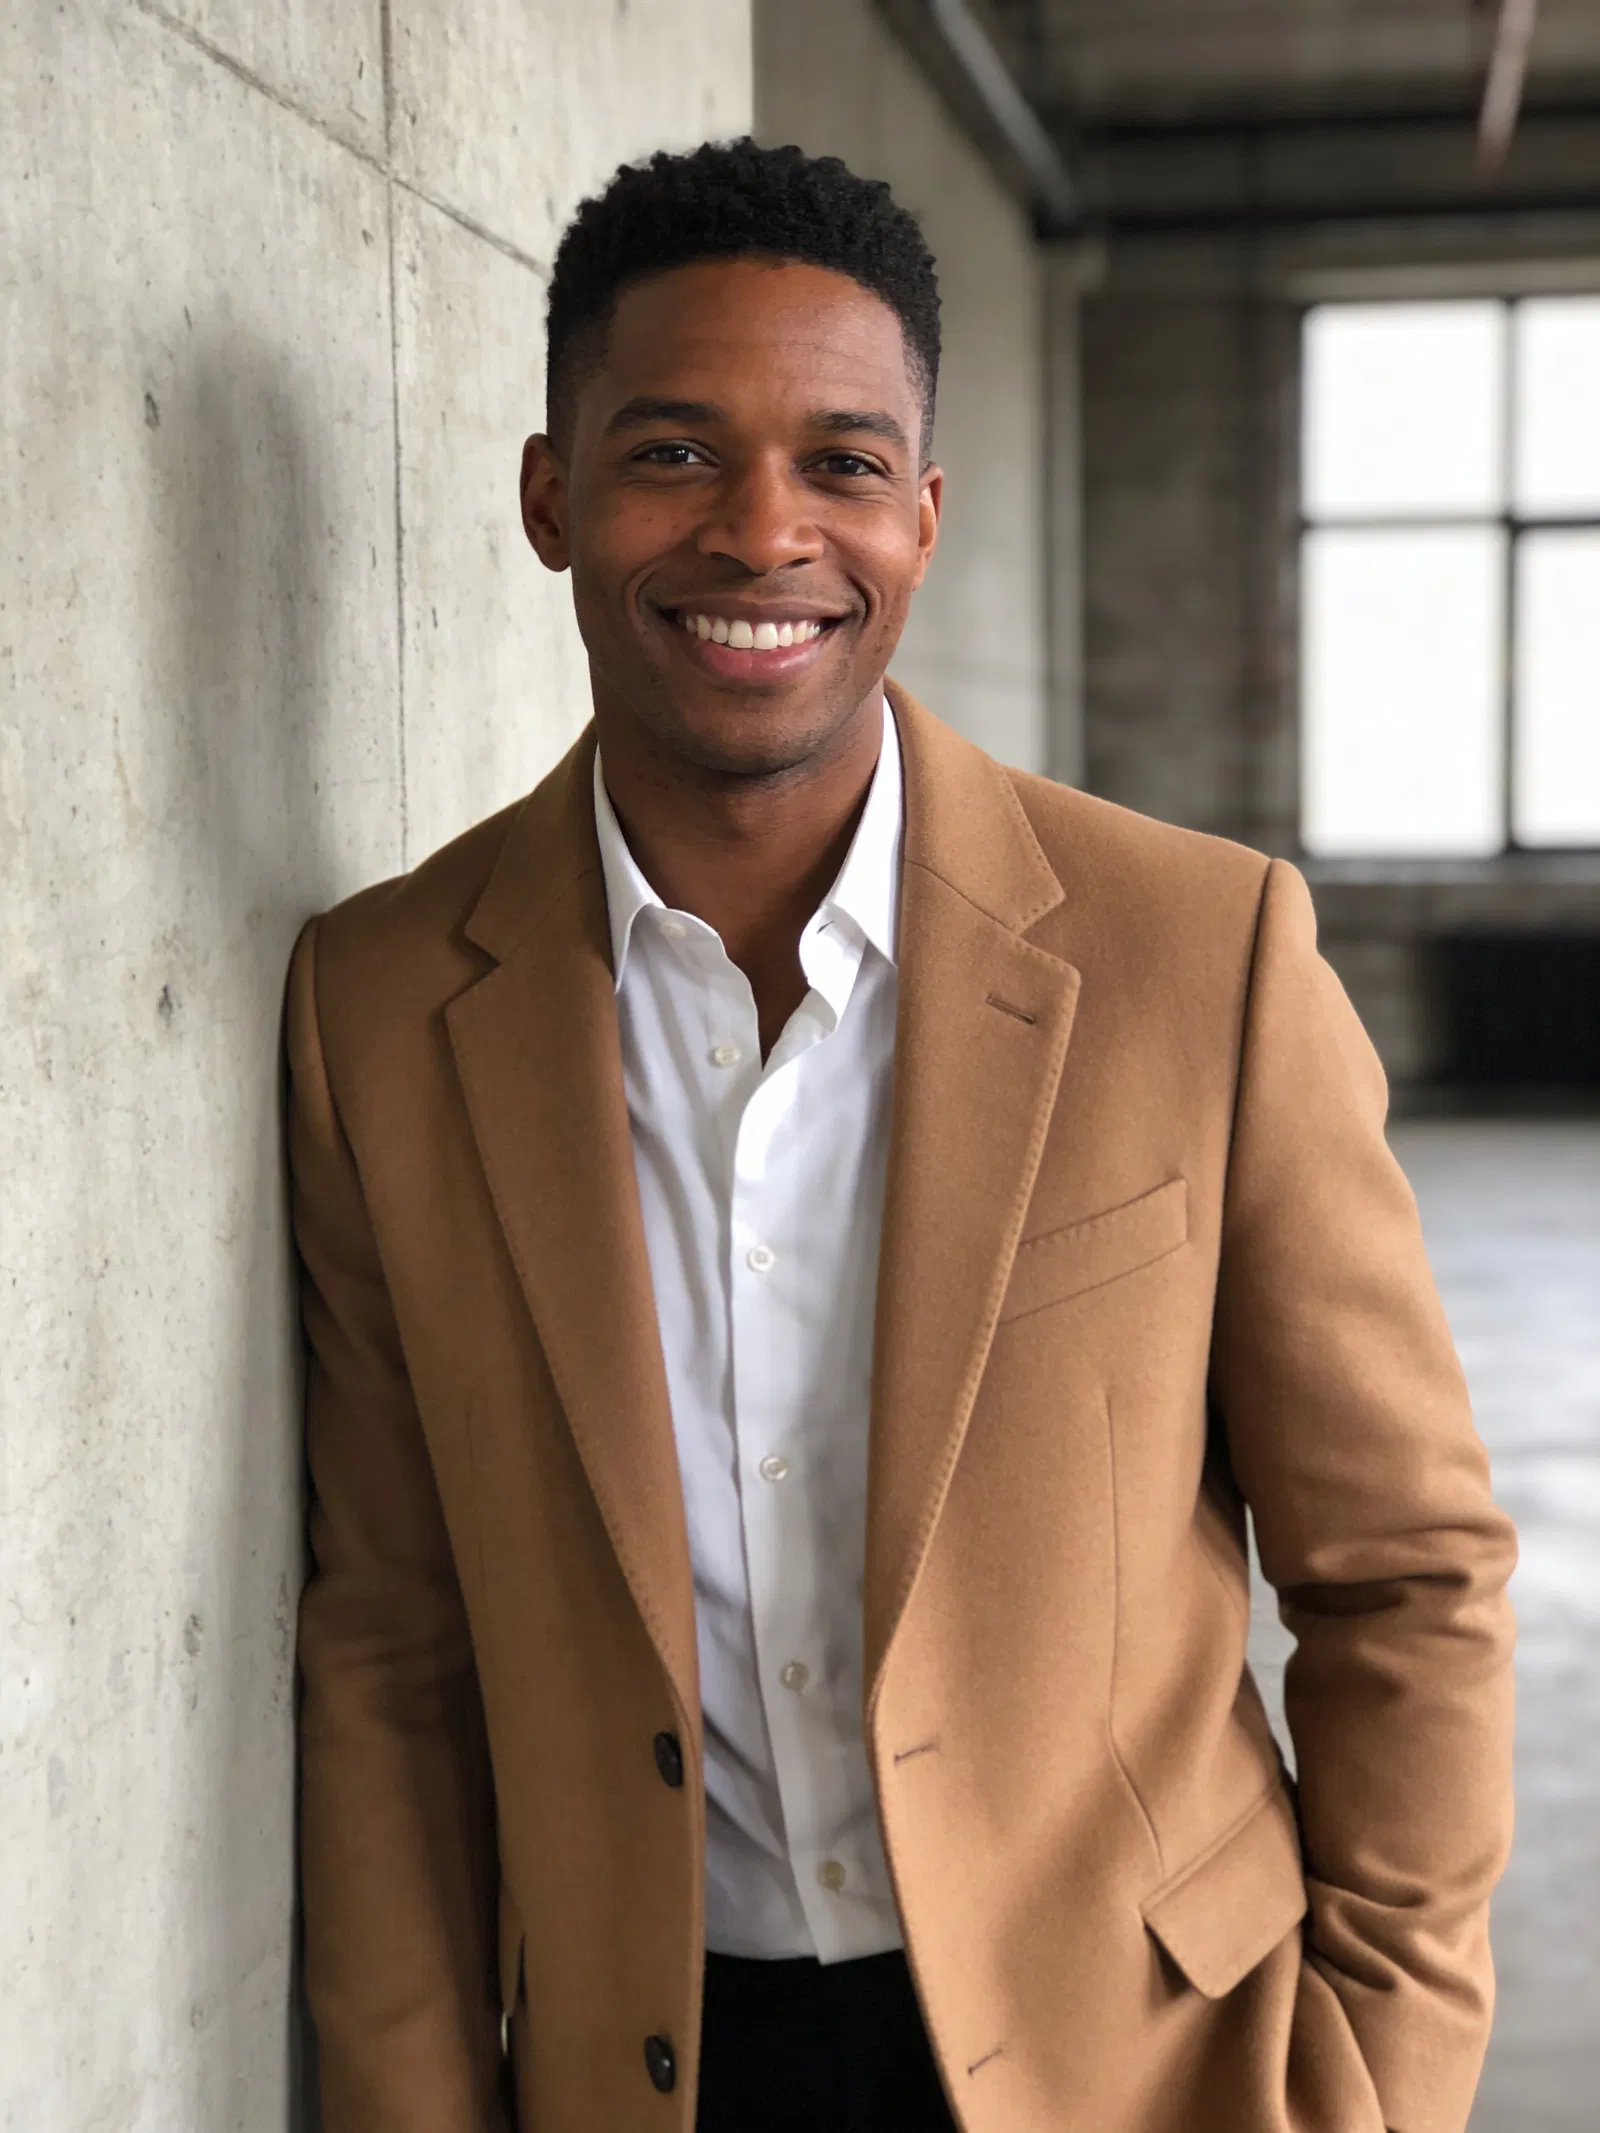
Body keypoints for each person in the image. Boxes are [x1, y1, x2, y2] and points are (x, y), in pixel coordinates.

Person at [285, 138, 1516, 2133]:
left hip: (1149, 2067)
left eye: (840, 463)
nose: (761, 532)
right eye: (671, 451)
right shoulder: (378, 1008)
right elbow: (393, 1655)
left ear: (923, 518)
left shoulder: (1196, 956)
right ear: (548, 497)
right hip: (650, 2068)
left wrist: (1376, 2081)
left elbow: (1403, 1574)